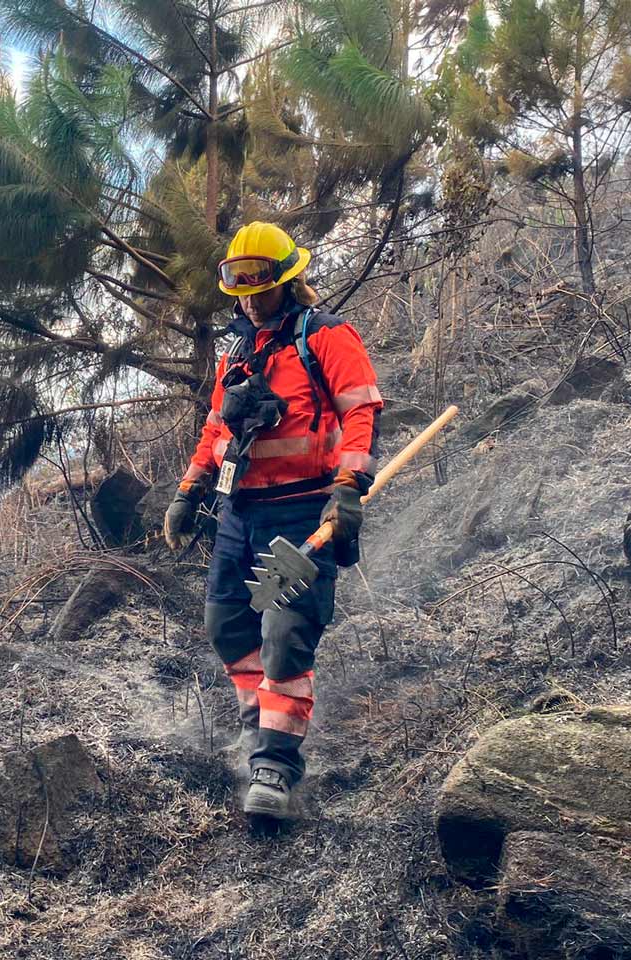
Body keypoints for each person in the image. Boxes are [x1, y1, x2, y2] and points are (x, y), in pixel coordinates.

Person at [163, 221, 383, 818]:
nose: (251, 298)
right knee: (227, 626)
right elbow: (217, 427)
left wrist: (348, 488)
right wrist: (189, 489)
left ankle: (275, 768)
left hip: (301, 512)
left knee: (284, 634)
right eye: (240, 286)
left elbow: (360, 412)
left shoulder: (327, 338)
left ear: (288, 280)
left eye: (261, 285)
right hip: (240, 513)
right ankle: (256, 727)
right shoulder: (237, 350)